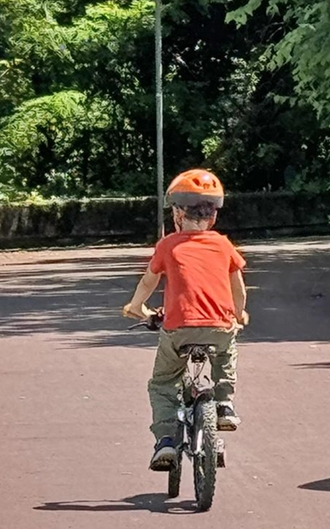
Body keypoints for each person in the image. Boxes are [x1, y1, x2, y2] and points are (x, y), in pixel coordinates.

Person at [122, 168, 249, 472]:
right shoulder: (223, 245)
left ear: (178, 213)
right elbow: (238, 289)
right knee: (226, 351)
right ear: (213, 216)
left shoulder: (168, 245)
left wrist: (136, 306)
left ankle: (166, 440)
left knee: (163, 383)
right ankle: (223, 405)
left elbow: (149, 282)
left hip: (178, 327)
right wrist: (238, 313)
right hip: (218, 326)